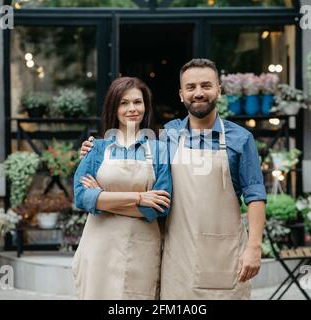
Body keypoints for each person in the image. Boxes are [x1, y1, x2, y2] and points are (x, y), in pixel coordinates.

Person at [80, 59, 266, 300]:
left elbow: (255, 195)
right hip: (175, 258)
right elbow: (130, 155)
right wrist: (95, 149)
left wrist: (254, 247)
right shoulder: (168, 135)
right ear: (181, 95)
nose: (198, 93)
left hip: (223, 255)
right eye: (191, 87)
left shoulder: (240, 139)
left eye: (206, 86)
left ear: (219, 90)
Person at [72, 77, 172, 300]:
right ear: (113, 107)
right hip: (99, 247)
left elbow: (159, 207)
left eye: (138, 102)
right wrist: (139, 198)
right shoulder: (96, 148)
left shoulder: (159, 150)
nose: (132, 109)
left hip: (141, 248)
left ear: (146, 107)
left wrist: (102, 198)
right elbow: (80, 197)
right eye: (124, 103)